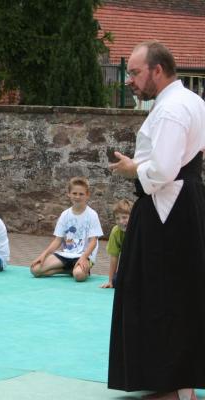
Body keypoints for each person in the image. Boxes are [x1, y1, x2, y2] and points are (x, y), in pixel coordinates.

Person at [108, 40, 205, 400]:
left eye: (135, 73)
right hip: (185, 201)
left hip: (167, 208)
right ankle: (180, 385)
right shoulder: (193, 101)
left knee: (159, 294)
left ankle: (179, 389)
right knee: (180, 292)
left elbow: (163, 169)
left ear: (157, 70)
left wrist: (131, 167)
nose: (129, 80)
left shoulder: (170, 110)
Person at [30, 177, 103, 281]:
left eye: (81, 194)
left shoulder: (92, 215)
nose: (77, 197)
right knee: (35, 270)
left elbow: (93, 242)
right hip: (66, 254)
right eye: (74, 193)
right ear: (68, 194)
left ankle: (76, 270)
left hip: (84, 256)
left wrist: (83, 258)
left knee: (79, 275)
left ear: (87, 195)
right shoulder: (64, 214)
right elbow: (57, 240)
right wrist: (43, 255)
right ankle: (67, 270)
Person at [100, 199, 132, 289]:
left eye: (124, 217)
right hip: (127, 267)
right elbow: (114, 257)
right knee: (116, 282)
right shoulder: (116, 231)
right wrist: (110, 281)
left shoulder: (139, 229)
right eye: (117, 218)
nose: (121, 221)